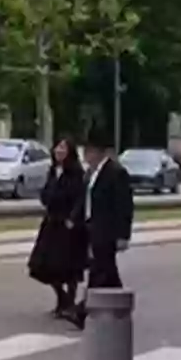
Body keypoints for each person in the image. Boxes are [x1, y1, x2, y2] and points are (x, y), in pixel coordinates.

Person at [65, 127, 134, 330]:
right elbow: (86, 200)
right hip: (92, 228)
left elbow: (124, 206)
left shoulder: (116, 173)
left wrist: (123, 235)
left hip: (107, 230)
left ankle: (82, 311)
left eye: (89, 151)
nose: (86, 156)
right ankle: (120, 306)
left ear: (99, 152)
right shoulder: (92, 174)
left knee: (99, 271)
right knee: (108, 273)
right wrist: (75, 219)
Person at [27, 137, 87, 317]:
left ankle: (69, 301)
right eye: (57, 148)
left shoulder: (76, 173)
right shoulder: (53, 171)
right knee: (44, 265)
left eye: (63, 148)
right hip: (52, 222)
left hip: (68, 225)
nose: (59, 151)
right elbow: (47, 192)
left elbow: (80, 197)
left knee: (68, 266)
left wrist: (73, 218)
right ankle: (62, 298)